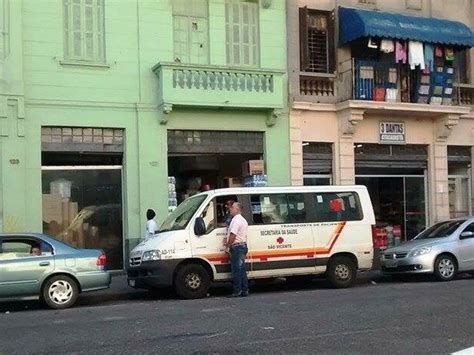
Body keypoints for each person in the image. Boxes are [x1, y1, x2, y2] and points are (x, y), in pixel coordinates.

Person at [224, 202, 249, 297]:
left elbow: (233, 234)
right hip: (242, 247)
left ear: (237, 209)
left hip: (237, 247)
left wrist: (228, 246)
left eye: (232, 207)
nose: (230, 208)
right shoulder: (242, 220)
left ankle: (237, 290)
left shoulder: (236, 220)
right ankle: (244, 289)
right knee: (241, 270)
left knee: (236, 270)